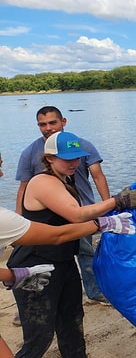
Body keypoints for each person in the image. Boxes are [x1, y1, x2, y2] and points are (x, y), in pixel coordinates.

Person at [7, 131, 136, 358]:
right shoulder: (41, 182)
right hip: (34, 267)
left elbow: (76, 220)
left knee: (72, 323)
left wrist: (111, 214)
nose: (74, 163)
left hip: (63, 263)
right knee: (39, 338)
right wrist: (115, 202)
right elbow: (77, 215)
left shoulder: (65, 179)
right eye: (67, 158)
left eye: (77, 157)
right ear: (49, 158)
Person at [0, 207, 135, 358]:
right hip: (38, 260)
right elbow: (58, 234)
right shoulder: (3, 218)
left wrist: (13, 276)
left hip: (62, 263)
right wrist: (102, 222)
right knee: (39, 338)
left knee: (72, 327)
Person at [15, 106, 110, 304]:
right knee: (45, 259)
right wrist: (19, 221)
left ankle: (94, 291)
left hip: (84, 209)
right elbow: (23, 188)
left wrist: (108, 206)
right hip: (51, 217)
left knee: (86, 252)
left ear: (63, 122)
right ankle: (32, 301)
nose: (48, 128)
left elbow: (98, 176)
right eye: (43, 124)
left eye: (53, 122)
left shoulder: (83, 146)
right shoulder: (29, 152)